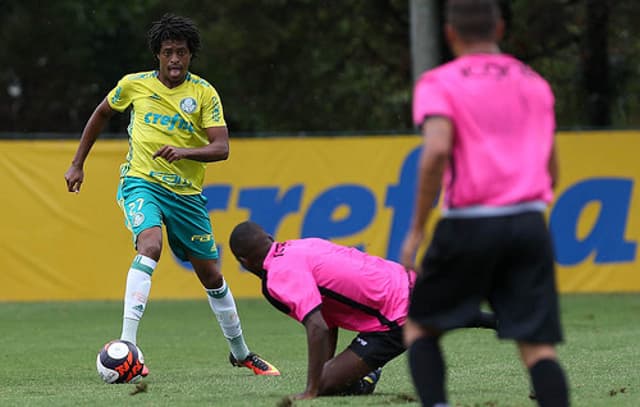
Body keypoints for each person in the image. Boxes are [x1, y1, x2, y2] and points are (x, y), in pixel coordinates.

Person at [64, 14, 279, 376]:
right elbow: (101, 113)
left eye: (182, 52)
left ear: (191, 56)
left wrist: (184, 152)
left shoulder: (204, 93)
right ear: (158, 56)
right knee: (150, 245)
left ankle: (240, 353)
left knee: (212, 276)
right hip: (141, 182)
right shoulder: (133, 85)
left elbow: (222, 147)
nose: (175, 59)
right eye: (168, 52)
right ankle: (127, 345)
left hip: (187, 196)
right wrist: (77, 163)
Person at [400, 0, 569, 406]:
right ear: (500, 29)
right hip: (529, 222)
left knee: (421, 328)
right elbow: (551, 167)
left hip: (469, 223)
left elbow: (437, 151)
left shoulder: (439, 82)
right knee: (537, 348)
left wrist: (417, 230)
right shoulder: (534, 82)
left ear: (451, 34)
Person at [228, 220, 496, 401]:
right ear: (270, 238)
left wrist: (313, 388)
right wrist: (326, 370)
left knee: (324, 386)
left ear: (244, 261)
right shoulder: (301, 245)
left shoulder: (278, 275)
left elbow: (318, 326)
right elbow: (327, 320)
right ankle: (499, 318)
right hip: (405, 280)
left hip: (394, 317)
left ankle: (367, 375)